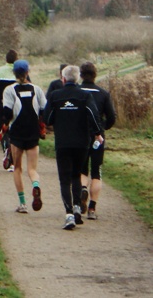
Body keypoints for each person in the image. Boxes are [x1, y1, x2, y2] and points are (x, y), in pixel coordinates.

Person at [44, 64, 104, 230]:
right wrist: (98, 133)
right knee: (76, 175)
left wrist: (60, 115)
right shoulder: (84, 95)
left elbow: (47, 118)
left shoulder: (55, 95)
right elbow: (93, 115)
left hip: (63, 142)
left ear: (63, 79)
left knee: (64, 179)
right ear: (77, 78)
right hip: (81, 143)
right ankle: (77, 206)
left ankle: (69, 214)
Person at [1, 59, 46, 214]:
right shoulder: (37, 89)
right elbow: (43, 111)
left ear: (14, 73)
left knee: (17, 168)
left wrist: (4, 125)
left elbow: (7, 112)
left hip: (17, 132)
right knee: (32, 169)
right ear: (28, 72)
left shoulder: (9, 90)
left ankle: (22, 203)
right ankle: (35, 185)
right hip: (33, 132)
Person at [78, 61, 116, 219]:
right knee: (96, 172)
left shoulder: (77, 92)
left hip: (79, 135)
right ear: (95, 75)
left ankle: (82, 190)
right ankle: (92, 208)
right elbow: (112, 117)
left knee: (81, 170)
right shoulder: (103, 94)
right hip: (97, 137)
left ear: (81, 75)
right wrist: (102, 127)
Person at [0, 49, 20, 168]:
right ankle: (14, 157)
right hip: (18, 105)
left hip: (2, 103)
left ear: (6, 59)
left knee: (3, 129)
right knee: (16, 130)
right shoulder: (19, 71)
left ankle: (6, 149)